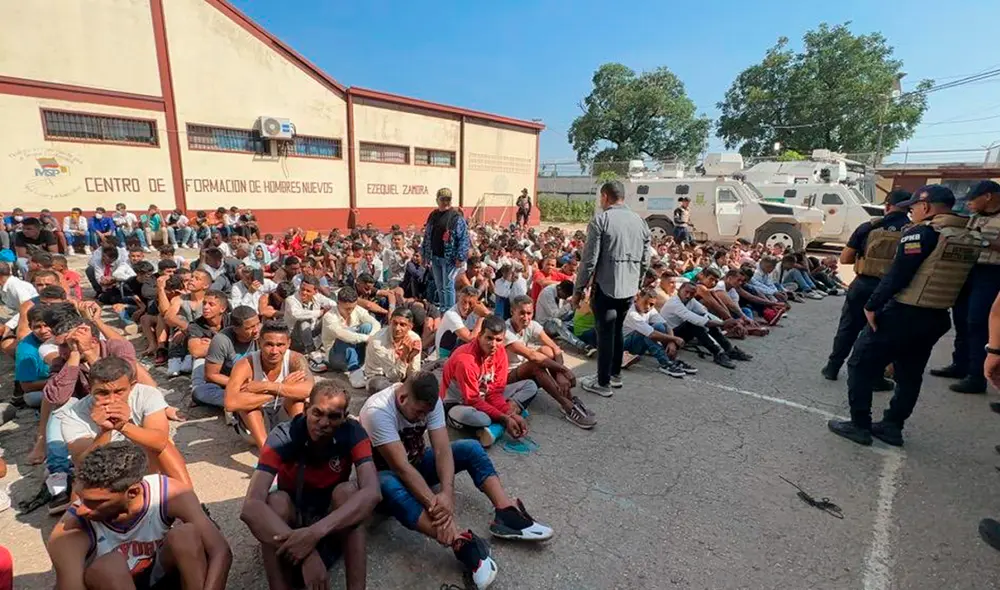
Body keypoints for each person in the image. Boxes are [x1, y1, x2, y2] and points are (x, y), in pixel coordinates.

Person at [359, 372, 552, 590]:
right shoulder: (378, 411)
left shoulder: (429, 402)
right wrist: (438, 508)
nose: (423, 418)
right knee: (387, 483)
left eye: (427, 413)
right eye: (419, 412)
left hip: (416, 464)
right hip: (385, 477)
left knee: (469, 448)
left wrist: (447, 494)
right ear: (402, 398)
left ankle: (506, 513)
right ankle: (460, 542)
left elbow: (441, 448)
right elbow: (401, 468)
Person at [828, 185, 980, 447]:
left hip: (906, 311)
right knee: (910, 372)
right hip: (937, 315)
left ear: (927, 206)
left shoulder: (924, 233)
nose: (912, 212)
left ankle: (859, 425)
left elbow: (898, 274)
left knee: (860, 363)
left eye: (914, 207)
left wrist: (873, 305)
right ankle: (892, 425)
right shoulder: (968, 238)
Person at [241, 382, 380, 590]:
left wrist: (315, 533)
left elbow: (372, 492)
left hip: (330, 522)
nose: (324, 423)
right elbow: (251, 506)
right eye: (318, 413)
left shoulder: (353, 432)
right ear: (306, 409)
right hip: (291, 523)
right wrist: (307, 554)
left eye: (333, 416)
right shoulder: (283, 436)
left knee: (349, 493)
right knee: (275, 502)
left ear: (345, 417)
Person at [47, 441, 232, 590]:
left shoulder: (169, 493)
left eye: (95, 502)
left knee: (187, 535)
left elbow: (220, 551)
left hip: (161, 575)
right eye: (81, 498)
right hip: (110, 583)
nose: (81, 509)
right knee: (109, 567)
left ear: (133, 492)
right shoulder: (70, 530)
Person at [822, 190, 912, 384]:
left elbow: (845, 259)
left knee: (848, 328)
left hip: (863, 284)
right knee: (882, 333)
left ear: (887, 206)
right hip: (893, 290)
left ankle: (832, 367)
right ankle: (875, 376)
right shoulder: (913, 231)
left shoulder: (868, 227)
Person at [59, 356, 192, 486]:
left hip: (144, 461)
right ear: (90, 389)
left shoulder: (147, 395)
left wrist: (123, 426)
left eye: (119, 391)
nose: (112, 400)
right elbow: (83, 464)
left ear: (132, 386)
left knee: (165, 445)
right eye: (102, 393)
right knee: (80, 483)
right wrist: (105, 431)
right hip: (105, 471)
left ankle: (186, 495)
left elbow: (160, 442)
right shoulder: (74, 414)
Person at [572, 180, 651, 397]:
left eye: (601, 198)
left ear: (605, 196)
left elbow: (589, 260)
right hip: (629, 288)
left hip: (606, 286)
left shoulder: (601, 220)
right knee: (617, 330)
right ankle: (615, 375)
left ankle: (602, 382)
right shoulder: (640, 222)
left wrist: (578, 290)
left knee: (605, 333)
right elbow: (646, 259)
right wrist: (638, 282)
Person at [932, 180, 1000, 394]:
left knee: (978, 322)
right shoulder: (976, 217)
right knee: (961, 319)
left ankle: (977, 376)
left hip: (992, 274)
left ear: (988, 196)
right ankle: (960, 365)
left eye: (973, 199)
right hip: (970, 270)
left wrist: (983, 242)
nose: (969, 204)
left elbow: (983, 242)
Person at [440, 315, 538, 447]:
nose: (493, 345)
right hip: (459, 402)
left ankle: (501, 422)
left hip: (484, 396)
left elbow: (495, 392)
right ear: (479, 335)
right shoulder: (466, 360)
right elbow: (472, 400)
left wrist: (508, 414)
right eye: (489, 338)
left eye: (498, 340)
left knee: (530, 386)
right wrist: (505, 418)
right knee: (482, 419)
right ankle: (502, 421)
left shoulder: (500, 352)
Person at [505, 296, 595, 428]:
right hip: (506, 376)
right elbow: (532, 355)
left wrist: (559, 374)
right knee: (536, 364)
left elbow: (555, 348)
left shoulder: (531, 325)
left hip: (523, 369)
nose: (526, 317)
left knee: (547, 351)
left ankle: (569, 399)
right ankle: (568, 406)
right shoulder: (505, 331)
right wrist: (564, 370)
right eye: (522, 313)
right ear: (512, 312)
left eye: (529, 313)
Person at [224, 321, 313, 448]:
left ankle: (300, 446)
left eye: (280, 345)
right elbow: (230, 403)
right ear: (259, 342)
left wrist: (267, 387)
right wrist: (281, 390)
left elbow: (310, 390)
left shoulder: (295, 359)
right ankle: (266, 454)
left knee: (297, 400)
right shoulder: (245, 364)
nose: (274, 351)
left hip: (285, 418)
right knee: (248, 405)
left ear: (288, 343)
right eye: (269, 344)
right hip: (255, 426)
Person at [661, 282, 753, 369]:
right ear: (679, 290)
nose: (688, 295)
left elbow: (705, 313)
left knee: (708, 321)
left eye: (692, 293)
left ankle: (728, 349)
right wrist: (723, 324)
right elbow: (696, 320)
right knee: (693, 324)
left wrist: (728, 322)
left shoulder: (691, 301)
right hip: (669, 336)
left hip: (680, 334)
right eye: (686, 292)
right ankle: (717, 353)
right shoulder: (674, 303)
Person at [194, 305, 260, 407]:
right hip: (229, 384)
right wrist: (241, 385)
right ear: (236, 329)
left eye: (257, 324)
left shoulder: (263, 334)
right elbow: (211, 375)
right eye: (249, 328)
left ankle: (245, 401)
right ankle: (245, 401)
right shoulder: (221, 340)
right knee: (200, 392)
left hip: (257, 381)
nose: (256, 330)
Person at [622, 289, 692, 378]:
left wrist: (671, 342)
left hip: (638, 344)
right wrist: (675, 339)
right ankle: (665, 363)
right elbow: (651, 334)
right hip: (624, 347)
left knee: (659, 326)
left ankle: (671, 359)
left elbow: (666, 325)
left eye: (651, 304)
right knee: (647, 333)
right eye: (645, 303)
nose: (648, 307)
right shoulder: (631, 313)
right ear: (638, 297)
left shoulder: (650, 310)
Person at [422, 188, 469, 309]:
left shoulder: (456, 217)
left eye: (448, 199)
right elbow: (427, 235)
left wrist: (460, 257)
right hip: (435, 256)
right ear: (437, 200)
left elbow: (464, 238)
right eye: (442, 199)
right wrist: (424, 255)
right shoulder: (433, 215)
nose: (445, 202)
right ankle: (443, 308)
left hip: (450, 258)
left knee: (448, 286)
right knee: (440, 286)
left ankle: (450, 310)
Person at [319, 286, 380, 374]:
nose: (350, 311)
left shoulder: (357, 310)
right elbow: (342, 334)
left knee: (367, 326)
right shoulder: (329, 317)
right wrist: (366, 338)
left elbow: (375, 323)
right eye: (347, 309)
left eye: (352, 308)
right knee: (345, 339)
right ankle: (354, 372)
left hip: (358, 352)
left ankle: (365, 363)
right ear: (338, 303)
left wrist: (371, 336)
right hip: (337, 357)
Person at [362, 307, 421, 393]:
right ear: (390, 322)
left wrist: (411, 357)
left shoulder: (414, 338)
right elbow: (394, 377)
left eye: (402, 325)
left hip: (401, 375)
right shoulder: (378, 341)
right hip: (381, 376)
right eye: (395, 323)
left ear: (410, 326)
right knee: (378, 385)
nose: (397, 328)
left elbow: (414, 372)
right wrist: (404, 355)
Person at [436, 286, 490, 359]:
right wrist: (481, 316)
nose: (466, 307)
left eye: (470, 303)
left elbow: (496, 327)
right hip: (445, 358)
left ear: (477, 303)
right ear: (458, 298)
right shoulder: (451, 315)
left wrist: (487, 313)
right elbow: (470, 339)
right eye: (464, 302)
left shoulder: (476, 311)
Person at [283, 276, 333, 355]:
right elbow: (296, 314)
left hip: (313, 331)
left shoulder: (317, 297)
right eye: (302, 289)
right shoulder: (291, 300)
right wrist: (320, 312)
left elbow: (333, 304)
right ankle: (310, 350)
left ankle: (328, 344)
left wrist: (328, 310)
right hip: (295, 338)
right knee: (304, 321)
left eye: (308, 291)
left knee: (330, 316)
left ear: (315, 291)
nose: (304, 293)